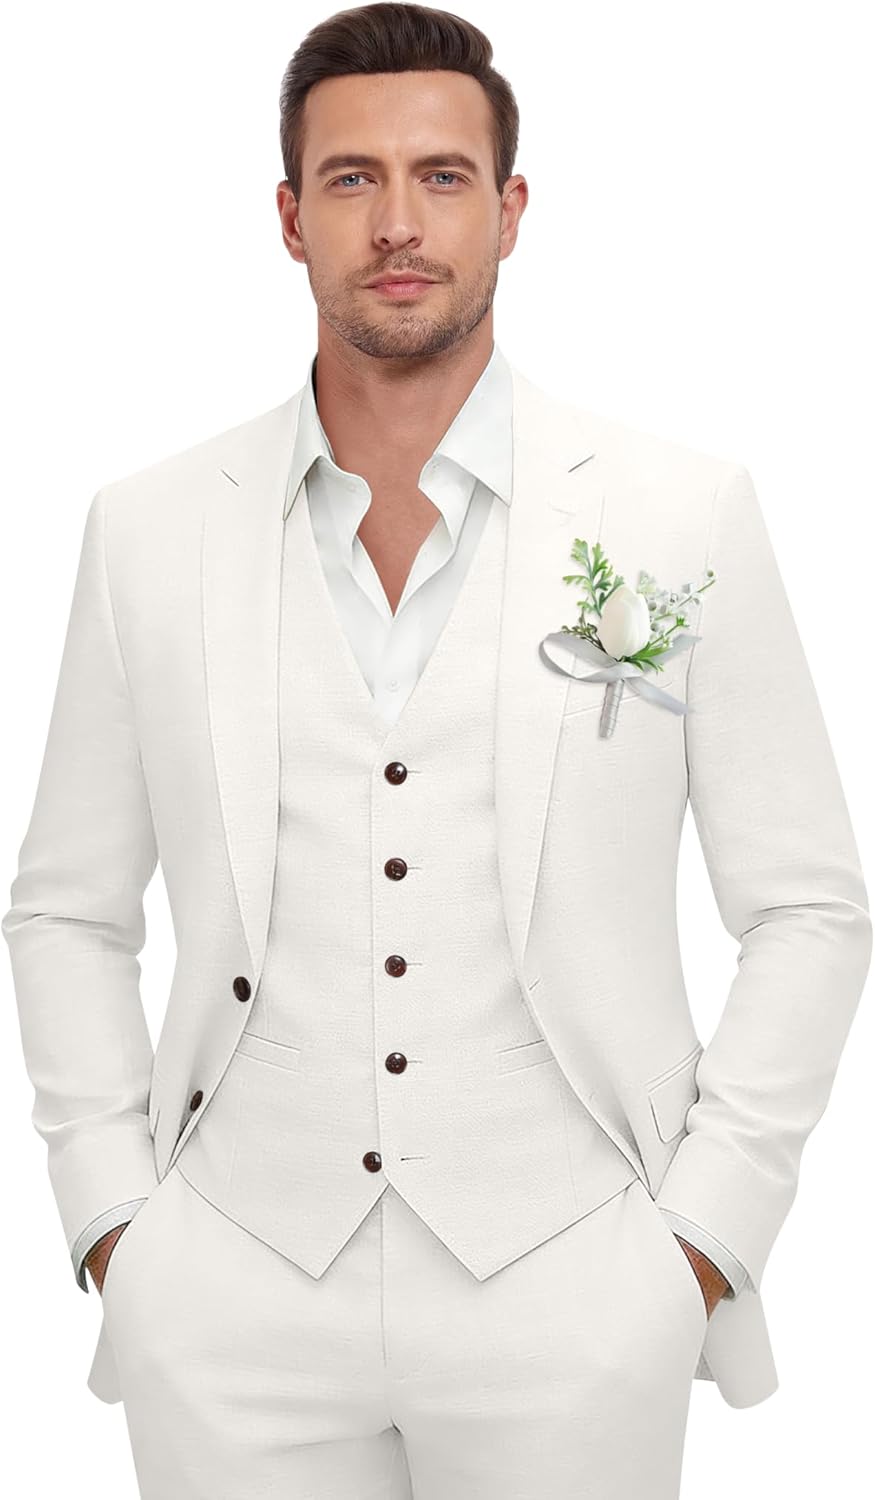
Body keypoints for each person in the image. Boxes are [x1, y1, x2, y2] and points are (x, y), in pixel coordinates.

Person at [3, 5, 870, 1497]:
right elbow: (68, 908)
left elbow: (807, 904)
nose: (398, 223)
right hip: (230, 1293)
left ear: (511, 210)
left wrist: (702, 1239)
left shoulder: (677, 514)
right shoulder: (148, 530)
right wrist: (115, 1226)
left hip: (575, 1287)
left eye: (442, 177)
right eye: (351, 179)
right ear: (290, 218)